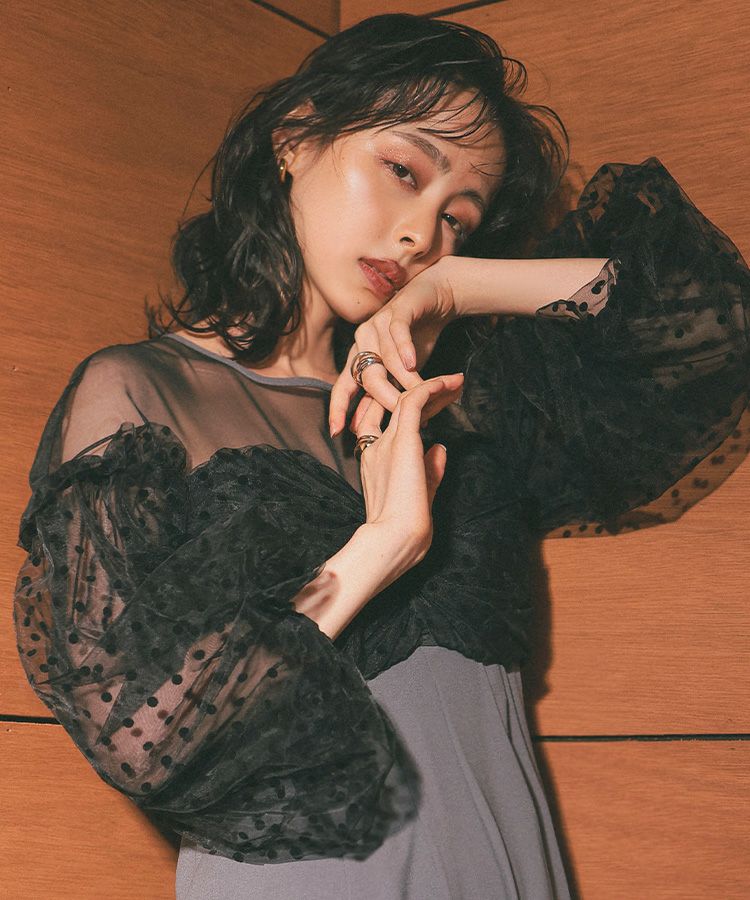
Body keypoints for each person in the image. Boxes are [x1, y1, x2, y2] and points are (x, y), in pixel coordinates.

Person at [12, 13, 749, 900]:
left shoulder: (455, 398)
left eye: (457, 220)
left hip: (504, 868)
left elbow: (711, 324)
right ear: (295, 138)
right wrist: (383, 545)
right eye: (404, 171)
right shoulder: (140, 392)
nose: (419, 235)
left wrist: (456, 287)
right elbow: (151, 733)